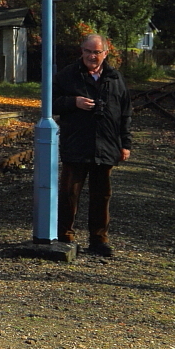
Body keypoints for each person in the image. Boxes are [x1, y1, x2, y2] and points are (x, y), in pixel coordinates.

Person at [51, 34, 132, 256]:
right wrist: (73, 102)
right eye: (88, 51)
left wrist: (125, 144)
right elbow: (50, 103)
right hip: (76, 144)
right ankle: (65, 236)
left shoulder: (115, 78)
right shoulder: (68, 75)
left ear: (106, 53)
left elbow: (125, 113)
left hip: (106, 145)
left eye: (96, 52)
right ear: (82, 51)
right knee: (69, 193)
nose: (91, 56)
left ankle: (98, 240)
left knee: (101, 195)